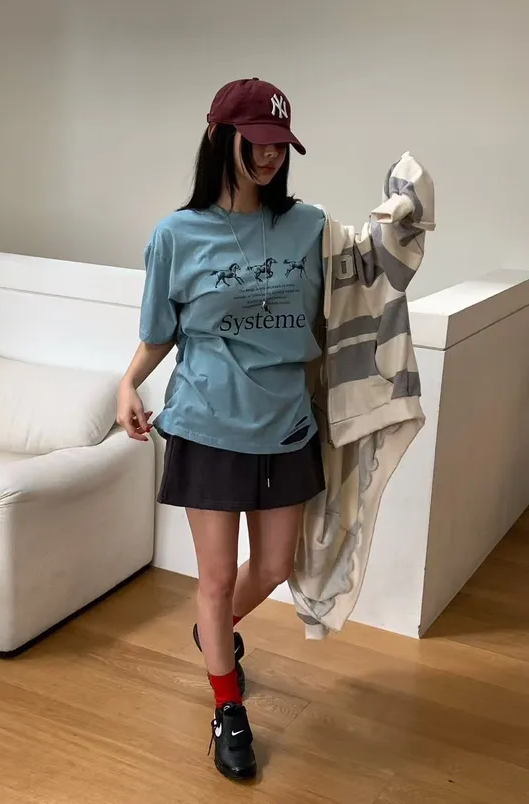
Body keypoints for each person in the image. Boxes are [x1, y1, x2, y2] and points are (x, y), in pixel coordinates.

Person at [116, 77, 326, 781]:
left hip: (287, 422)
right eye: (257, 143)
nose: (271, 157)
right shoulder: (175, 235)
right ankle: (227, 707)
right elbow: (160, 331)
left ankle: (213, 635)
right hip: (207, 421)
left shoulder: (311, 227)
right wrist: (127, 382)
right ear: (219, 138)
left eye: (280, 146)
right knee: (213, 576)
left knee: (273, 567)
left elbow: (358, 295)